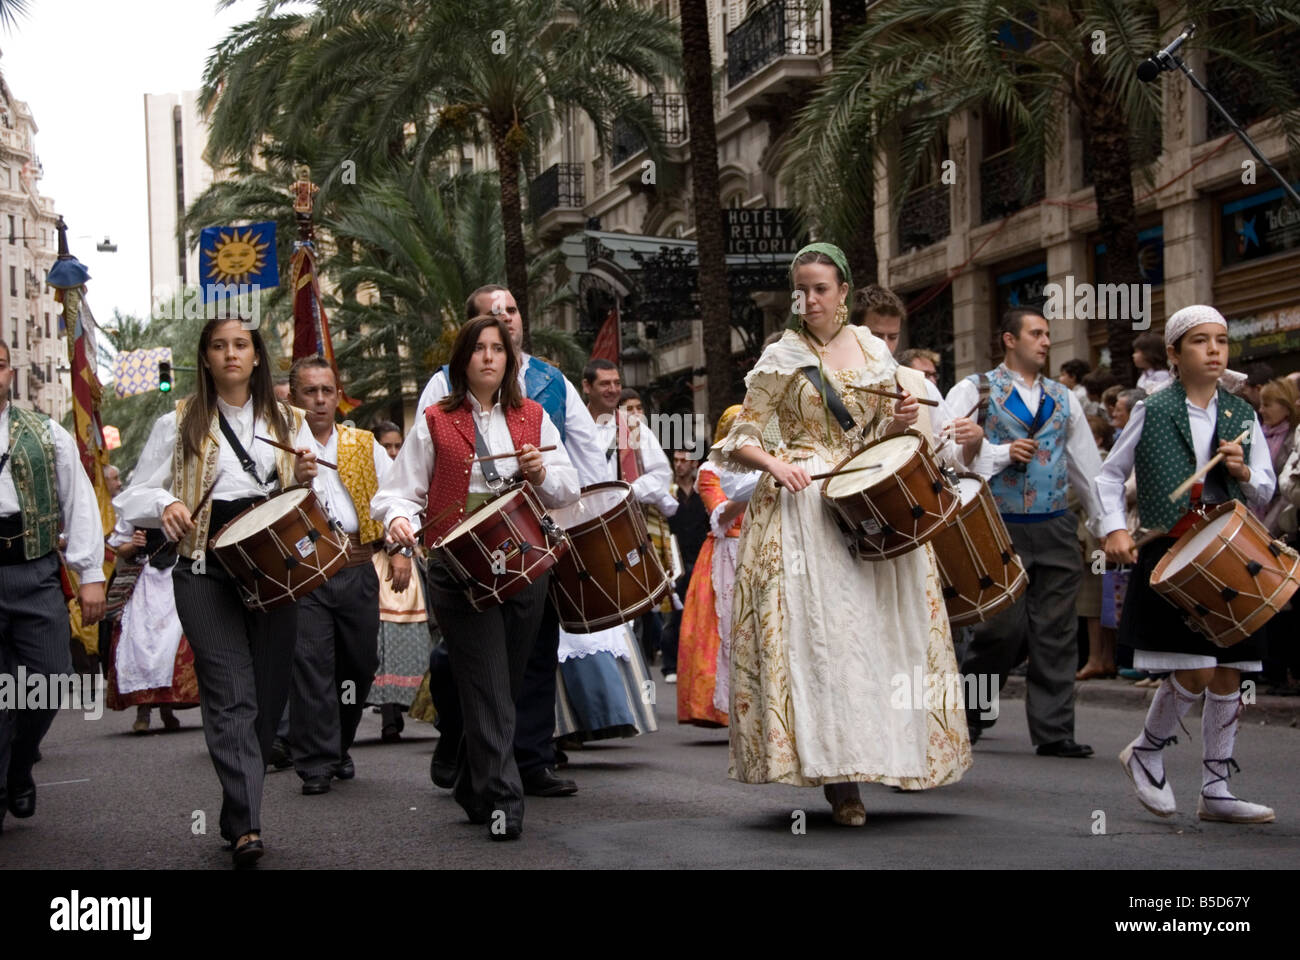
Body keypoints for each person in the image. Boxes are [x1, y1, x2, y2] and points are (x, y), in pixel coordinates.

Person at [713, 242, 970, 827]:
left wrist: (900, 420)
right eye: (800, 289)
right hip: (802, 510)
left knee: (877, 638)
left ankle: (890, 754)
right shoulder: (781, 354)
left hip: (866, 500)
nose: (810, 299)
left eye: (821, 288)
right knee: (820, 646)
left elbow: (882, 427)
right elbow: (739, 435)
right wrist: (775, 464)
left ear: (845, 292)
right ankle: (840, 780)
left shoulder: (874, 350)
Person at [115, 316, 318, 867]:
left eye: (242, 346)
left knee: (269, 695)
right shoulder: (177, 421)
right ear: (205, 358)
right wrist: (165, 504)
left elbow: (319, 495)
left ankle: (235, 810)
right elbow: (134, 493)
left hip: (273, 566)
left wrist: (305, 476)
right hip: (203, 568)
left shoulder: (291, 419)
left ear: (256, 357)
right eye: (220, 346)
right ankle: (248, 826)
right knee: (231, 691)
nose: (231, 354)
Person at [376, 314, 580, 840]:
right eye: (478, 349)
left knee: (502, 686)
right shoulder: (436, 420)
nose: (489, 356)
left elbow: (568, 486)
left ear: (509, 360)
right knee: (489, 683)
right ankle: (502, 802)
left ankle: (471, 778)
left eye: (498, 348)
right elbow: (399, 491)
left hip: (524, 562)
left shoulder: (534, 415)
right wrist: (398, 520)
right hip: (457, 568)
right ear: (463, 359)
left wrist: (542, 472)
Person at [415, 284, 603, 800]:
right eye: (487, 332)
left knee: (529, 658)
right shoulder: (439, 397)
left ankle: (529, 759)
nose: (502, 331)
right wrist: (403, 522)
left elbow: (584, 460)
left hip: (532, 544)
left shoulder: (550, 387)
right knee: (471, 667)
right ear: (468, 340)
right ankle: (482, 771)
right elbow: (417, 474)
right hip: (461, 555)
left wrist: (583, 505)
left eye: (512, 315)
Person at [1099, 305, 1276, 823]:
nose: (1215, 349)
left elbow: (1266, 487)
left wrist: (1243, 470)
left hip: (1230, 553)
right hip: (1171, 550)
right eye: (1200, 341)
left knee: (1229, 673)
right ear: (1174, 354)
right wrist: (1113, 527)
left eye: (1221, 340)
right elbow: (1110, 477)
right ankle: (1148, 749)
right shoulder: (1151, 408)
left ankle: (1216, 789)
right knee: (1195, 669)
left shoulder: (1242, 414)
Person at [945, 307, 1105, 757]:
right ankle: (970, 716)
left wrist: (1106, 526)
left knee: (1056, 631)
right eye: (1036, 333)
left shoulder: (1063, 397)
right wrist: (997, 449)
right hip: (995, 524)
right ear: (1009, 340)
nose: (1046, 341)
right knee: (1000, 630)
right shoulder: (974, 389)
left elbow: (1086, 468)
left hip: (1055, 524)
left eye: (1049, 334)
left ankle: (1055, 732)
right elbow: (945, 449)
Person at [0, 340, 105, 835]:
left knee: (50, 678)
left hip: (34, 569)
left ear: (10, 372)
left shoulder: (45, 433)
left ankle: (20, 766)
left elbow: (79, 501)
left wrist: (90, 576)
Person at [286, 356, 389, 795]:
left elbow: (394, 496)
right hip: (305, 572)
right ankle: (314, 762)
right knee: (311, 666)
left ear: (338, 393)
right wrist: (291, 479)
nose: (320, 399)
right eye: (310, 391)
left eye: (327, 390)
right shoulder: (278, 444)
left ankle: (340, 744)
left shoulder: (363, 444)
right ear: (293, 397)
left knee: (359, 665)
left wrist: (400, 549)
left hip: (357, 567)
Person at [551, 361, 667, 745]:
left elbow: (660, 474)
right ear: (585, 387)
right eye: (604, 383)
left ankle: (611, 713)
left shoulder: (632, 428)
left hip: (613, 528)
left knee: (612, 611)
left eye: (618, 383)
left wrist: (622, 494)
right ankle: (569, 722)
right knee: (567, 616)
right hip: (566, 527)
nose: (613, 389)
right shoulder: (562, 421)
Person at [103, 416, 199, 733]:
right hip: (146, 583)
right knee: (140, 641)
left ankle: (169, 709)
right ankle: (143, 711)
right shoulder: (139, 499)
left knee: (174, 640)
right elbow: (119, 546)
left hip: (176, 576)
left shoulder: (189, 494)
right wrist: (134, 544)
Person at [676, 406, 750, 727]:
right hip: (725, 553)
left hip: (759, 548)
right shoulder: (712, 470)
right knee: (725, 629)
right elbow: (720, 516)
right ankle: (723, 707)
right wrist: (750, 493)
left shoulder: (763, 466)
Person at [857, 284, 984, 466]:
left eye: (892, 337)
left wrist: (975, 440)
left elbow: (948, 458)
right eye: (876, 335)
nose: (884, 345)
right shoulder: (834, 382)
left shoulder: (921, 385)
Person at [366, 421, 428, 742]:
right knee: (381, 639)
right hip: (374, 560)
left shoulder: (403, 470)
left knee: (412, 635)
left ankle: (418, 707)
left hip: (401, 556)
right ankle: (388, 714)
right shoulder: (369, 465)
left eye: (396, 446)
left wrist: (402, 550)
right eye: (386, 446)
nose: (392, 451)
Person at [663, 447, 710, 687]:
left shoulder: (704, 491)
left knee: (700, 614)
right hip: (676, 560)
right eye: (676, 460)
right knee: (674, 615)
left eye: (684, 460)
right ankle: (670, 665)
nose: (679, 464)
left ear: (694, 463)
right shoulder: (668, 491)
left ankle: (695, 663)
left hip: (701, 559)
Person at [1076, 415, 1117, 681]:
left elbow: (1072, 497)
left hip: (1094, 546)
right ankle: (1105, 658)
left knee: (1094, 602)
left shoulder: (1094, 462)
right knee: (1105, 600)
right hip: (1100, 543)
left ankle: (1096, 659)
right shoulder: (1105, 461)